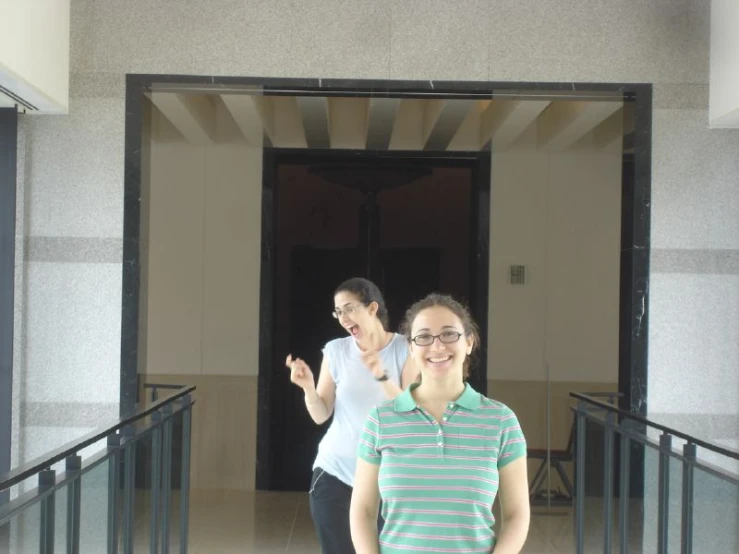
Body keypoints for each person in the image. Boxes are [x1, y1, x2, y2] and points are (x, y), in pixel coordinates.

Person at [350, 293, 530, 554]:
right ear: (411, 347)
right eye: (423, 337)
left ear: (469, 342)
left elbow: (516, 514)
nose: (436, 346)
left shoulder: (501, 421)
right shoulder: (380, 420)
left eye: (449, 334)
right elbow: (363, 510)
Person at [286, 277, 420, 554]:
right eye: (338, 312)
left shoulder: (406, 349)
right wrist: (308, 388)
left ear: (372, 308)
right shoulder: (336, 350)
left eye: (349, 308)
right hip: (335, 471)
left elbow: (411, 412)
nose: (343, 318)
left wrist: (381, 375)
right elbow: (321, 415)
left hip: (390, 476)